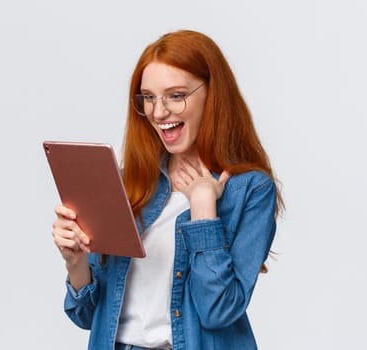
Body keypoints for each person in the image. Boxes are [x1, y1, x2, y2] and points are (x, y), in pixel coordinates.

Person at [50, 30, 283, 350]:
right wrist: (75, 262)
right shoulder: (128, 183)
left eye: (176, 95)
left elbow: (219, 310)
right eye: (148, 97)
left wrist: (203, 209)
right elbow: (87, 315)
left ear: (213, 94)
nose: (158, 113)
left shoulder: (250, 190)